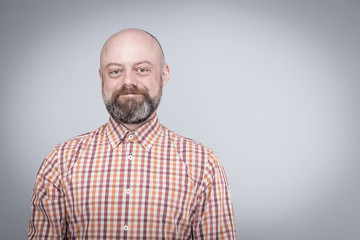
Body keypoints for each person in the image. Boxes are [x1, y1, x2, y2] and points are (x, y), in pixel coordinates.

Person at [27, 28, 236, 239]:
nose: (128, 81)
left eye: (142, 69)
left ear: (164, 75)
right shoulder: (60, 161)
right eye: (116, 71)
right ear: (102, 77)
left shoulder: (204, 165)